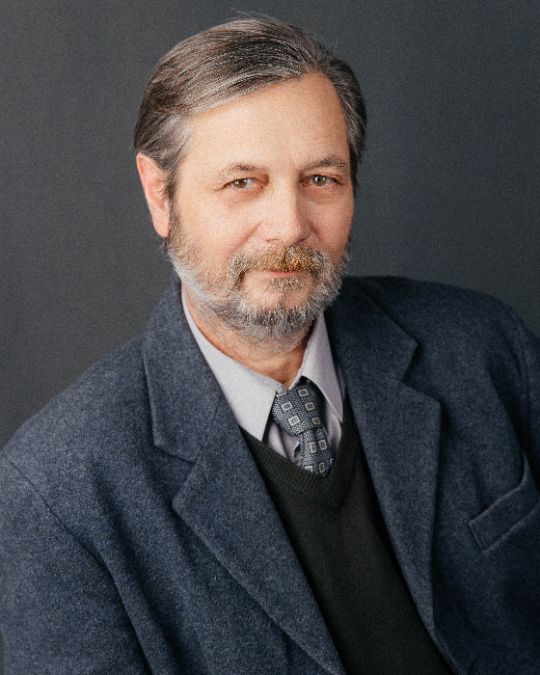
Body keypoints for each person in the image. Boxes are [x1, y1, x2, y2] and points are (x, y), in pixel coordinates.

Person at [0, 16, 539, 675]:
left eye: (321, 179)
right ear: (160, 196)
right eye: (243, 182)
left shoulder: (484, 348)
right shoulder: (59, 494)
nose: (289, 226)